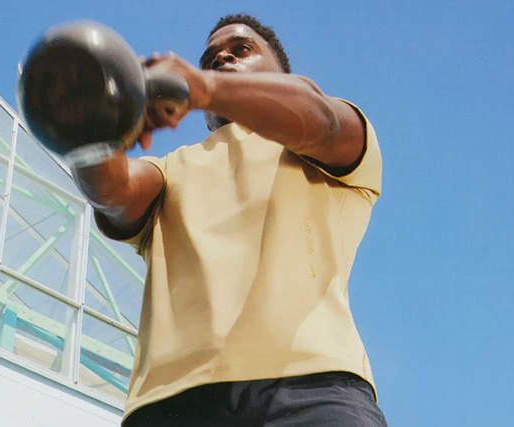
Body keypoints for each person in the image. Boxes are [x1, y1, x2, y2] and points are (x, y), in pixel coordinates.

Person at [72, 13, 388, 427]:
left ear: (280, 72)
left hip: (313, 387)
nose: (221, 57)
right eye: (209, 60)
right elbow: (113, 193)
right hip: (171, 403)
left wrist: (205, 87)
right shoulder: (171, 169)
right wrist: (91, 125)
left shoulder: (323, 136)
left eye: (241, 49)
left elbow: (322, 121)